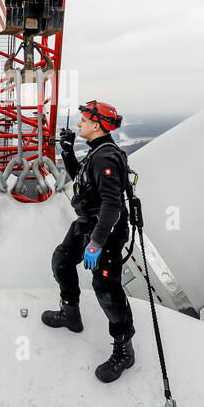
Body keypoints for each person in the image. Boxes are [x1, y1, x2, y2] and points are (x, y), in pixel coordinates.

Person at [42, 99, 135, 382]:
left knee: (106, 288)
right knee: (62, 260)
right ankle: (71, 314)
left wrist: (96, 243)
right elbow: (81, 181)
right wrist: (68, 152)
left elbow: (111, 206)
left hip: (104, 230)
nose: (79, 123)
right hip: (87, 224)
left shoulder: (105, 157)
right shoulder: (97, 152)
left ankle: (124, 351)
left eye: (84, 120)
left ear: (96, 125)